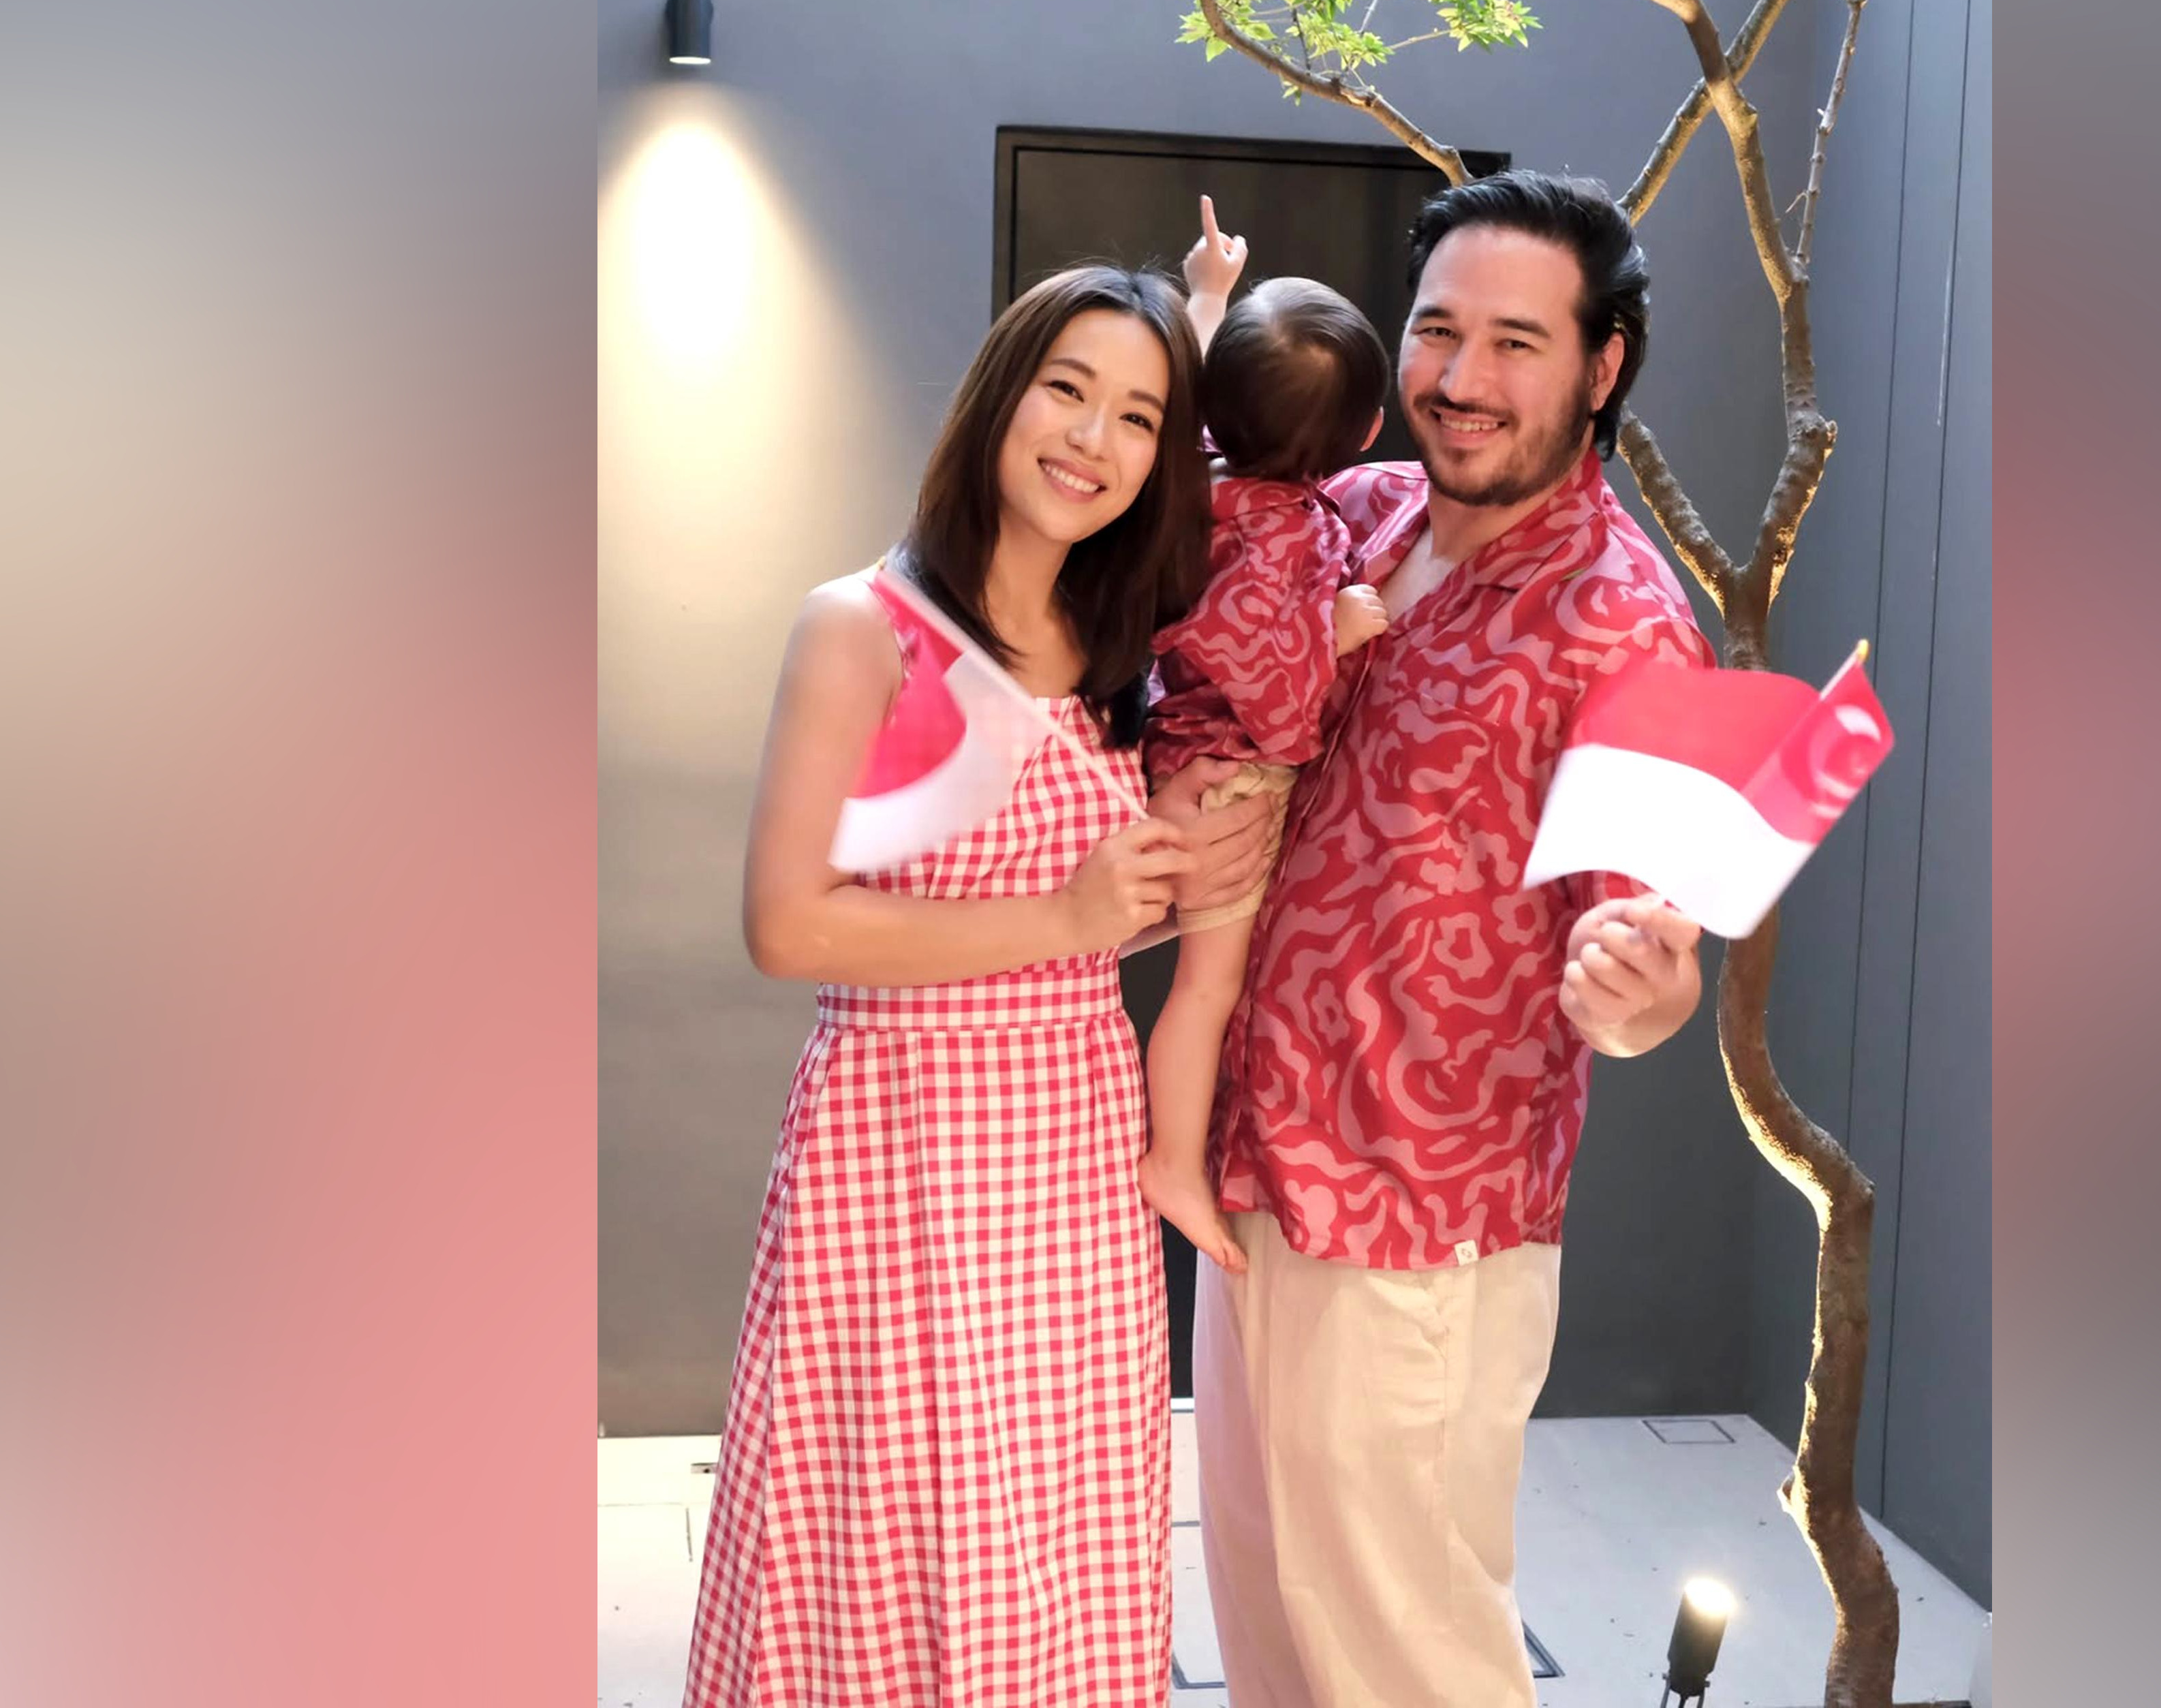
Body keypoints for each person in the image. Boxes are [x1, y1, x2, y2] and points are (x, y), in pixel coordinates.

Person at [1155, 172, 1718, 1708]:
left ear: (1601, 368)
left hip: (1416, 1228)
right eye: (1437, 330)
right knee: (1274, 1644)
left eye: (1516, 342)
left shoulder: (1629, 624)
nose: (1462, 378)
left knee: (1407, 1662)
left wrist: (1647, 989)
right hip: (1250, 1182)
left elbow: (1645, 953)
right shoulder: (1361, 507)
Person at [682, 263, 1263, 1708]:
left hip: (1072, 1151)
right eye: (1066, 389)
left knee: (1057, 1534)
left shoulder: (1113, 652)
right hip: (898, 1148)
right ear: (999, 395)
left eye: (1139, 417)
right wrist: (1071, 914)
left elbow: (1068, 930)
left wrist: (1158, 894)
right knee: (882, 1521)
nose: (1094, 439)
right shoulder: (865, 629)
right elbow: (788, 926)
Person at [1137, 197, 1394, 1277]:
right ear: (1366, 436)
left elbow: (1181, 396)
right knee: (1208, 989)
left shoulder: (1199, 476)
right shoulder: (1281, 539)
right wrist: (1336, 635)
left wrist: (1208, 292)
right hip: (1233, 778)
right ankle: (1171, 1160)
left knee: (1211, 989)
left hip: (1184, 746)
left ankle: (1178, 1152)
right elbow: (1282, 716)